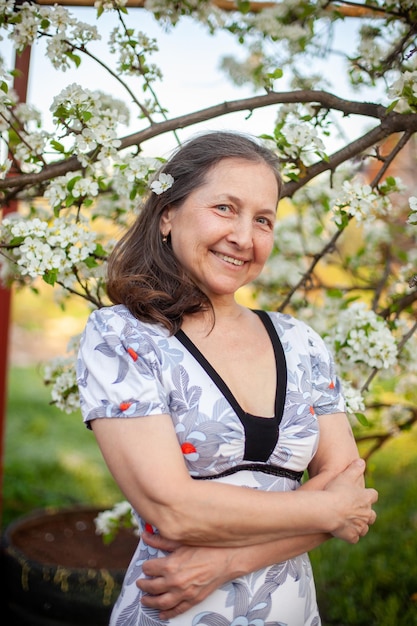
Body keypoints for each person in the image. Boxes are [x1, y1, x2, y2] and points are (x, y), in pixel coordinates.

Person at [76, 130, 378, 626]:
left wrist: (227, 563)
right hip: (174, 609)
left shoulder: (301, 343)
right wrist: (325, 511)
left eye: (263, 219)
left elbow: (350, 486)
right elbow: (173, 508)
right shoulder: (122, 336)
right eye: (225, 208)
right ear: (167, 214)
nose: (244, 236)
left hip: (292, 610)